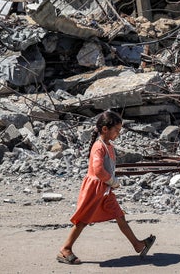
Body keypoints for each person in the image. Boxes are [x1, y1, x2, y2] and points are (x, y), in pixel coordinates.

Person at [57, 110, 155, 265]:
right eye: (116, 130)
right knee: (83, 220)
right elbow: (98, 170)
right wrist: (112, 181)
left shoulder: (108, 145)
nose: (118, 133)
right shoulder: (99, 146)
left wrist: (110, 183)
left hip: (104, 190)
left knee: (119, 215)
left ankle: (137, 244)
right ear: (105, 129)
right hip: (95, 189)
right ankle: (65, 249)